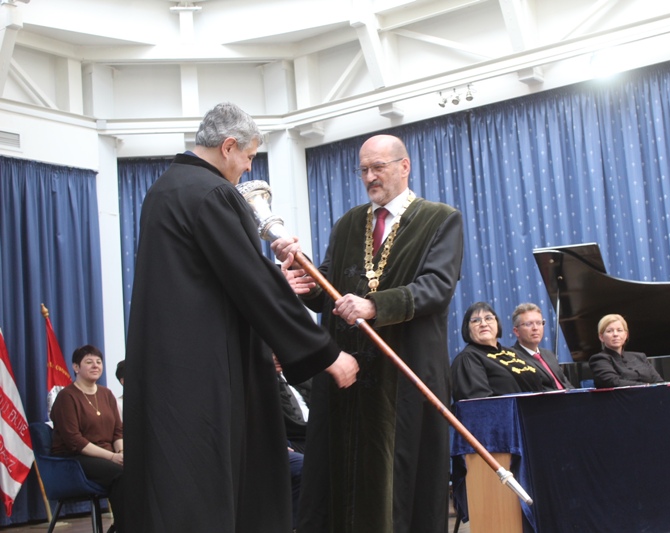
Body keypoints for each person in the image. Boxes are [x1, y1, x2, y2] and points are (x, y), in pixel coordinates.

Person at [124, 102, 359, 533]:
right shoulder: (213, 192)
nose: (249, 168)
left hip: (171, 367)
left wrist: (271, 278)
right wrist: (325, 352)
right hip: (207, 371)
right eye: (249, 156)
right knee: (215, 487)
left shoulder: (163, 190)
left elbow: (203, 279)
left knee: (178, 485)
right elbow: (250, 283)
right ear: (228, 146)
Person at [272, 134, 464, 533]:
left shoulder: (440, 219)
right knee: (339, 481)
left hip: (405, 373)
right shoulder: (348, 223)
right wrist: (300, 274)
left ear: (404, 166)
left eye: (378, 167)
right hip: (349, 380)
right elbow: (328, 290)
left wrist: (375, 305)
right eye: (363, 170)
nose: (370, 177)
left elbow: (437, 286)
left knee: (400, 484)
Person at [50, 345, 124, 532]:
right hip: (75, 459)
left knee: (142, 470)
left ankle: (123, 526)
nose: (95, 366)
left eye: (99, 362)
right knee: (121, 473)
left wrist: (121, 452)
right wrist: (112, 457)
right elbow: (75, 441)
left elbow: (117, 431)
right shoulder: (67, 397)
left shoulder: (106, 394)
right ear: (76, 367)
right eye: (89, 362)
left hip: (106, 455)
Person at [451, 302, 545, 401]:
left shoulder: (514, 353)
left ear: (497, 323)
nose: (483, 324)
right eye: (476, 321)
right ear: (467, 328)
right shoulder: (468, 359)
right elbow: (480, 404)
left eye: (488, 318)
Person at [274, 354, 311, 530]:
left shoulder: (299, 375)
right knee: (305, 465)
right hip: (284, 442)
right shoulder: (258, 381)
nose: (276, 357)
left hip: (311, 436)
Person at [588, 314, 664, 388]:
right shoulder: (599, 359)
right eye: (609, 331)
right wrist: (646, 386)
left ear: (626, 335)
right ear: (601, 337)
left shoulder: (640, 357)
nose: (615, 334)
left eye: (619, 330)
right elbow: (613, 382)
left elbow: (659, 382)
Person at [511, 303, 574, 391]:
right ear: (516, 331)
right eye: (528, 324)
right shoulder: (513, 358)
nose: (535, 328)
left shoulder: (549, 354)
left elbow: (566, 384)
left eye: (539, 323)